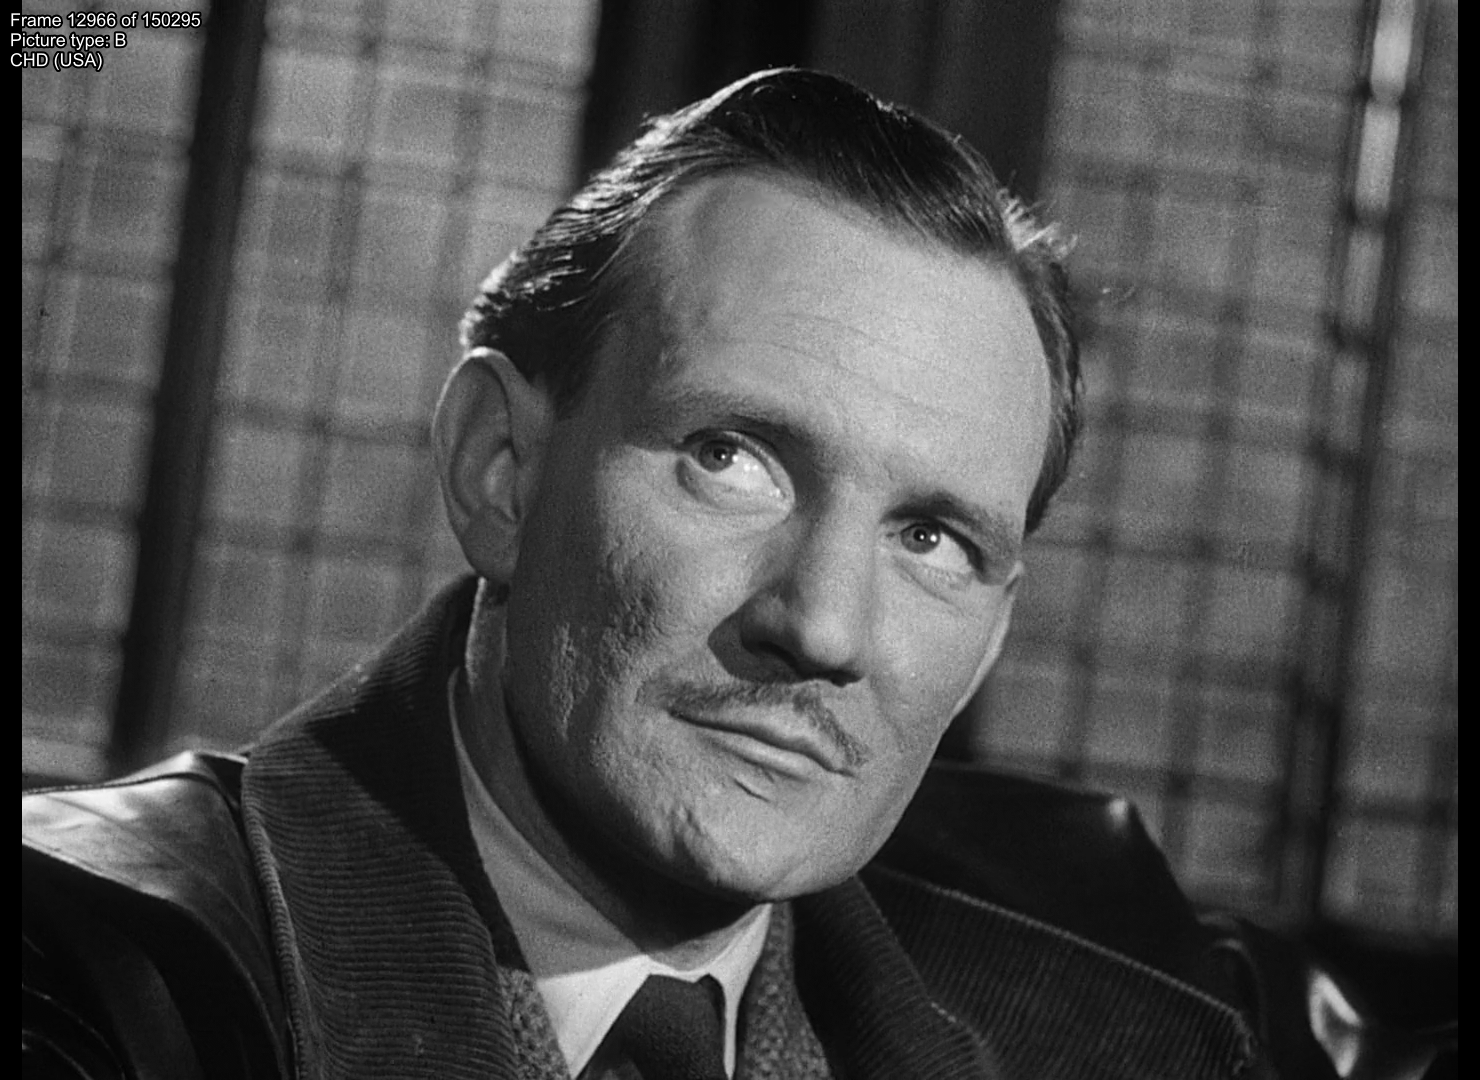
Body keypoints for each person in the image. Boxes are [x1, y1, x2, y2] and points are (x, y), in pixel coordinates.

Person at [25, 69, 1368, 1080]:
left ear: (995, 636)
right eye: (733, 460)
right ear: (500, 471)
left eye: (932, 540)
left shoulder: (1128, 1035)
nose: (824, 626)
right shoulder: (102, 980)